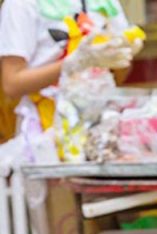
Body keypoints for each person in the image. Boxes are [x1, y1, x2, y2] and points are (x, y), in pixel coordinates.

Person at [0, 0, 137, 135]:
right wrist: (71, 64)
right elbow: (11, 84)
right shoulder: (21, 4)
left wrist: (124, 53)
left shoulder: (106, 3)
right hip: (44, 130)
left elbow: (118, 77)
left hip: (100, 126)